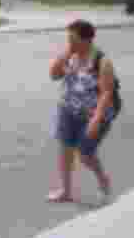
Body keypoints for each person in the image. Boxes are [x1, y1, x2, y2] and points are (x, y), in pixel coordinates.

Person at [48, 20, 119, 203]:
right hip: (68, 108)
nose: (70, 43)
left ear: (87, 40)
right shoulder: (71, 55)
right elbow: (54, 75)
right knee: (65, 150)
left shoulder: (102, 62)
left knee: (85, 154)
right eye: (68, 38)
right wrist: (66, 55)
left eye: (73, 39)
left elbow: (106, 93)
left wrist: (96, 119)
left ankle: (103, 179)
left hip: (92, 115)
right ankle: (66, 191)